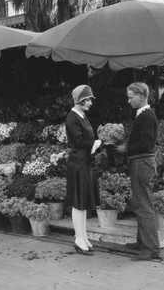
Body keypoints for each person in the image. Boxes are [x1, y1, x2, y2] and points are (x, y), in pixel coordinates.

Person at [120, 82, 160, 261]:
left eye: (131, 97)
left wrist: (125, 148)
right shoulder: (143, 115)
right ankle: (142, 242)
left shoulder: (147, 116)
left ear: (142, 96)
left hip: (142, 162)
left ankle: (151, 248)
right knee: (141, 202)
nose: (129, 101)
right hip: (141, 162)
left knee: (143, 204)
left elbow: (145, 143)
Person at [65, 84, 102, 256]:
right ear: (80, 100)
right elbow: (79, 141)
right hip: (78, 164)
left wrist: (97, 143)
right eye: (88, 100)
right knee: (79, 203)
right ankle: (78, 239)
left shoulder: (81, 116)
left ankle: (83, 236)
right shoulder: (72, 117)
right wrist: (97, 143)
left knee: (83, 202)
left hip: (85, 162)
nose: (91, 103)